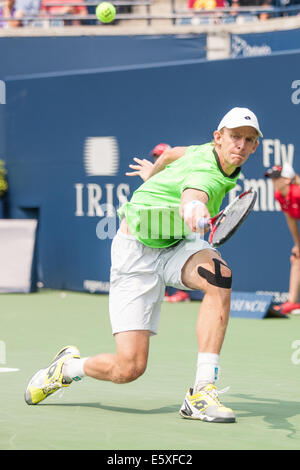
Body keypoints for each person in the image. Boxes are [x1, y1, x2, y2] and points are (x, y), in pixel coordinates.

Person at [25, 107, 262, 424]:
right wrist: (194, 210)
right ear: (218, 138)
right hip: (135, 252)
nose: (241, 146)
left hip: (176, 242)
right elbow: (193, 195)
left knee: (220, 278)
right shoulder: (205, 171)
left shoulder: (202, 152)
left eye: (249, 140)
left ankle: (202, 392)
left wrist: (155, 171)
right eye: (235, 137)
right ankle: (68, 368)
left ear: (255, 145)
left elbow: (173, 152)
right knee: (129, 369)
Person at [148, 143, 190, 303]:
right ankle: (161, 291)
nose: (158, 159)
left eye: (161, 155)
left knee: (181, 252)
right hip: (160, 221)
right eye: (156, 156)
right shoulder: (156, 176)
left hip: (177, 222)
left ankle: (182, 293)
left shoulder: (179, 174)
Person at [264, 163, 300, 315]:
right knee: (296, 258)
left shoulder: (298, 193)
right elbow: (291, 220)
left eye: (276, 178)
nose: (273, 181)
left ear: (287, 180)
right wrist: (298, 244)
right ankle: (292, 302)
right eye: (271, 178)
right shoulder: (280, 195)